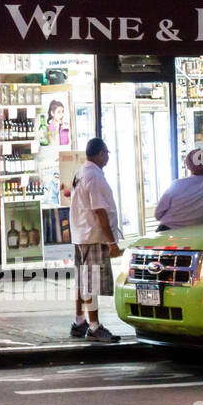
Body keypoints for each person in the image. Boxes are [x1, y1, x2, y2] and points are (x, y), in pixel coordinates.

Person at [69, 138, 122, 343]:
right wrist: (112, 242)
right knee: (91, 283)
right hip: (93, 235)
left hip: (80, 234)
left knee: (82, 282)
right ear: (100, 153)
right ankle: (94, 326)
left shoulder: (81, 172)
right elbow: (100, 211)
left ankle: (79, 321)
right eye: (107, 153)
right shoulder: (94, 177)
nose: (108, 157)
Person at [154, 149, 203, 230]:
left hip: (168, 231)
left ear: (188, 165)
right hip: (197, 234)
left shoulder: (176, 185)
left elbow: (158, 214)